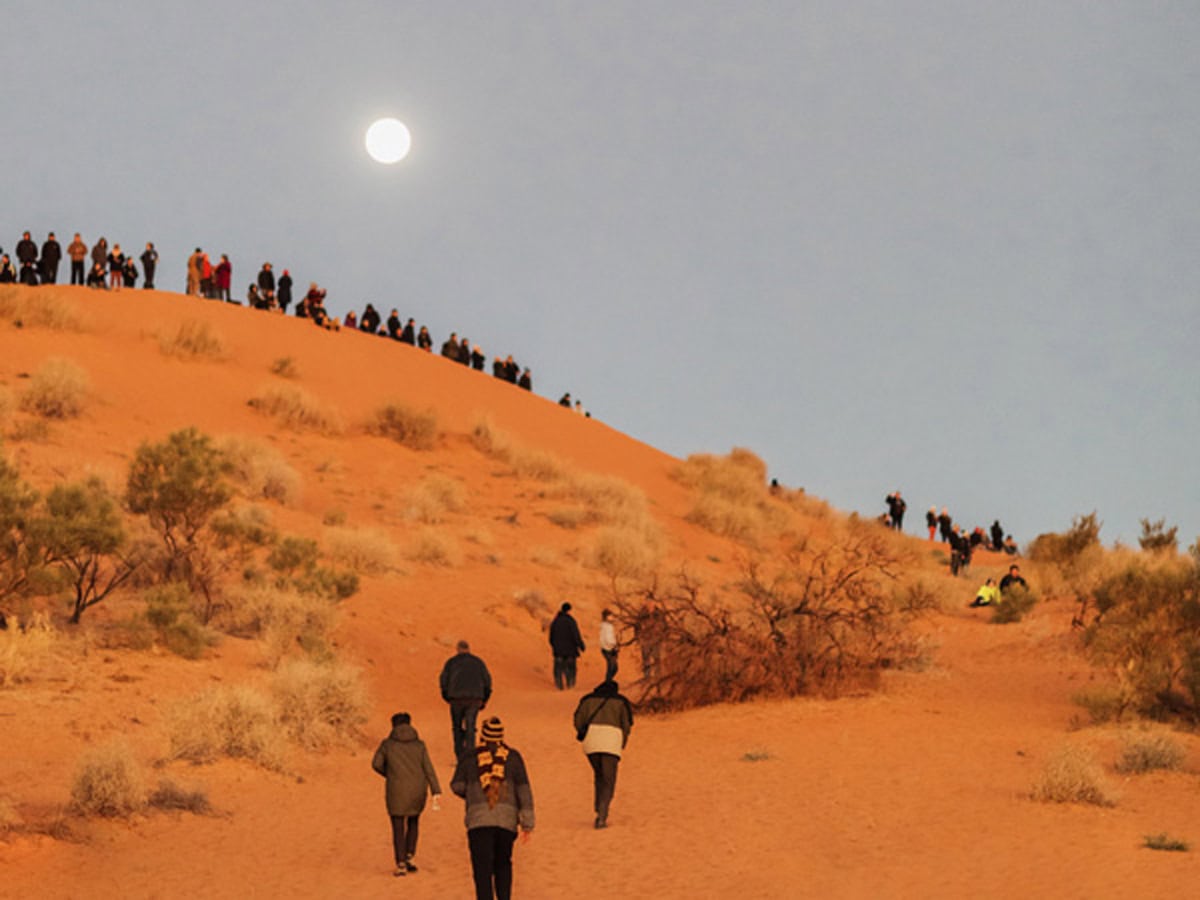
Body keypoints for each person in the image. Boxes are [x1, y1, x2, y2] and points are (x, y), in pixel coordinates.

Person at [450, 716, 534, 900]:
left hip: (478, 822)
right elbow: (524, 791)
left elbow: (456, 785)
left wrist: (473, 794)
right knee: (503, 864)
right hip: (506, 821)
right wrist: (527, 823)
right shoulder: (514, 757)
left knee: (482, 869)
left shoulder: (469, 757)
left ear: (483, 735)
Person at [371, 711, 442, 878]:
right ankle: (410, 856)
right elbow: (428, 769)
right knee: (414, 821)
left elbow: (376, 764)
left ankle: (400, 862)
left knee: (397, 826)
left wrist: (390, 773)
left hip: (396, 789)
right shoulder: (420, 745)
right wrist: (436, 789)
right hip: (418, 789)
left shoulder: (387, 745)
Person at [573, 680, 634, 829]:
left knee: (599, 775)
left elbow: (577, 720)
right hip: (611, 742)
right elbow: (627, 724)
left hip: (591, 743)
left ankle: (598, 806)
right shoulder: (621, 702)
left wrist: (586, 732)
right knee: (608, 780)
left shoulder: (587, 700)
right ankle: (602, 814)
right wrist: (622, 742)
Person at [440, 640, 493, 760]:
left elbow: (443, 681)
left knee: (457, 727)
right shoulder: (478, 662)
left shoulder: (451, 662)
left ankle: (460, 756)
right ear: (469, 649)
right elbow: (487, 681)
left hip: (456, 699)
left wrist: (447, 696)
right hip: (474, 699)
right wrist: (485, 699)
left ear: (458, 649)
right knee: (470, 727)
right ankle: (470, 756)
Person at [548, 603, 586, 690]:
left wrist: (554, 646)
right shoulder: (571, 621)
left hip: (558, 650)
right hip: (570, 650)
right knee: (571, 668)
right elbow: (576, 635)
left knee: (558, 668)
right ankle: (570, 685)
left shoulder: (555, 621)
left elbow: (551, 637)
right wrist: (581, 645)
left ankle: (559, 686)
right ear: (569, 610)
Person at [598, 608, 618, 681]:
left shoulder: (606, 626)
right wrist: (613, 645)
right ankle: (608, 681)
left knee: (612, 666)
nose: (612, 617)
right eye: (611, 616)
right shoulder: (607, 627)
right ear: (606, 617)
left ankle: (608, 680)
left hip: (607, 648)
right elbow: (607, 638)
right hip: (608, 649)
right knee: (613, 667)